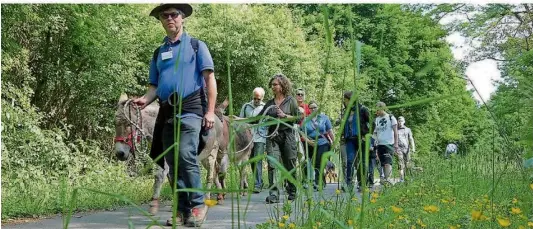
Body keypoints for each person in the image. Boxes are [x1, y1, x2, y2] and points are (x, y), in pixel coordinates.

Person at [133, 4, 216, 227]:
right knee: (172, 161)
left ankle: (198, 205)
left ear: (182, 18)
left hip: (191, 109)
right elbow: (153, 87)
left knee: (185, 155)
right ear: (160, 20)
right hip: (167, 111)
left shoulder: (197, 46)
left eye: (174, 14)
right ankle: (182, 212)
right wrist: (144, 99)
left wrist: (209, 111)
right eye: (164, 15)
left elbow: (209, 80)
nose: (169, 18)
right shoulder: (159, 52)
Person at [256, 73, 300, 203]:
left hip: (287, 135)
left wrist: (285, 115)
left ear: (282, 86)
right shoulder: (269, 103)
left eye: (275, 84)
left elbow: (298, 118)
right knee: (272, 164)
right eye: (272, 85)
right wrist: (238, 120)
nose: (273, 87)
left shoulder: (290, 101)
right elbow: (257, 118)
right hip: (273, 136)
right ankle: (274, 194)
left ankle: (292, 190)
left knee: (290, 163)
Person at [338, 91, 370, 192]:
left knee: (362, 162)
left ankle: (362, 184)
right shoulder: (346, 112)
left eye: (346, 100)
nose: (344, 102)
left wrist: (367, 136)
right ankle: (349, 184)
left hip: (361, 139)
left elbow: (372, 123)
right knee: (350, 161)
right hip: (350, 139)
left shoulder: (363, 109)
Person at [300, 101, 334, 190]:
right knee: (311, 162)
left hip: (322, 142)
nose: (313, 109)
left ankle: (318, 182)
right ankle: (318, 181)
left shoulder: (324, 118)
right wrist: (308, 141)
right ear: (309, 109)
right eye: (311, 108)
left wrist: (334, 141)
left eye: (315, 107)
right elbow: (302, 132)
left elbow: (329, 131)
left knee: (318, 161)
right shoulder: (305, 119)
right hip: (310, 143)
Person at [239, 87, 267, 193]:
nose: (256, 101)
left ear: (262, 98)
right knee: (250, 160)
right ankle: (258, 181)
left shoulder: (265, 107)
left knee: (258, 159)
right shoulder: (246, 106)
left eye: (258, 99)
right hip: (247, 138)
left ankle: (257, 184)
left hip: (260, 137)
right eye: (254, 98)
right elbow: (240, 121)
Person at [373, 102, 398, 185]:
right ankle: (386, 180)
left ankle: (388, 180)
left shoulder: (391, 117)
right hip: (380, 144)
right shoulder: (377, 119)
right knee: (383, 163)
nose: (376, 112)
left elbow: (395, 132)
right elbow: (375, 132)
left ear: (382, 108)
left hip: (388, 144)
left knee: (387, 162)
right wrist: (374, 141)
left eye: (377, 110)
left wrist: (396, 144)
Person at [397, 116, 416, 182]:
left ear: (404, 121)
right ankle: (401, 179)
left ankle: (409, 178)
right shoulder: (395, 130)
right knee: (400, 164)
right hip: (399, 149)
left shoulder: (408, 129)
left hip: (407, 149)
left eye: (401, 121)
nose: (400, 122)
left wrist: (413, 148)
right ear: (397, 122)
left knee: (408, 164)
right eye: (399, 121)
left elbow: (411, 139)